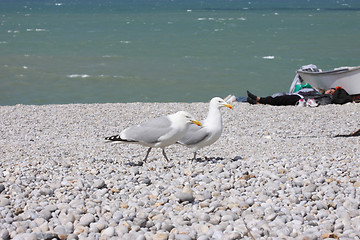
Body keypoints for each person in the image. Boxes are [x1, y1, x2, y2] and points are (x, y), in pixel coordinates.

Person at [246, 87, 341, 107]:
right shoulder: (317, 92)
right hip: (297, 96)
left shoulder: (325, 97)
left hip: (300, 99)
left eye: (331, 91)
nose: (329, 90)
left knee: (280, 99)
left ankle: (259, 99)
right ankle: (259, 102)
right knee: (278, 99)